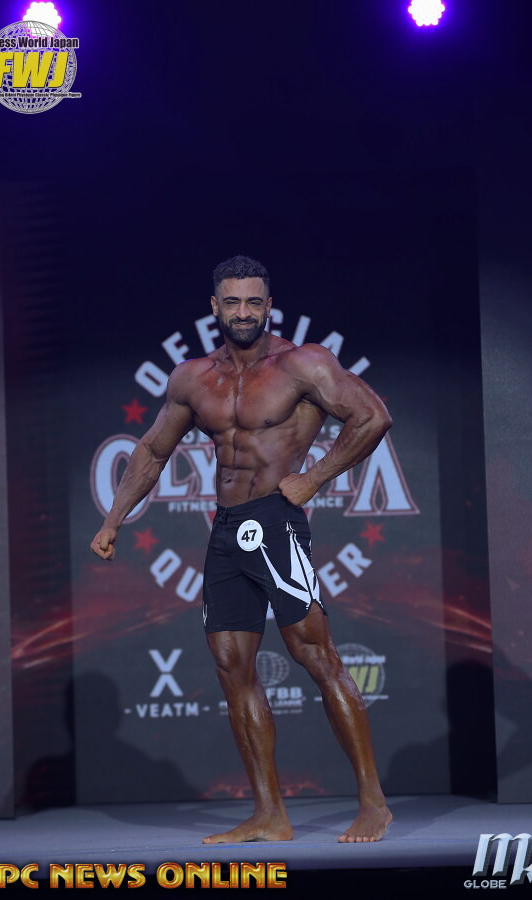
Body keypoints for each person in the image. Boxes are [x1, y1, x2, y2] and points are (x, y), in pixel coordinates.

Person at [91, 255, 393, 844]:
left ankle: (373, 804)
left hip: (277, 520)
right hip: (226, 528)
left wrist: (314, 479)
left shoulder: (302, 364)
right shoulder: (192, 378)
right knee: (232, 666)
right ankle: (270, 814)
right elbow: (152, 450)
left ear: (269, 305)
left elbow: (373, 417)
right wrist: (113, 519)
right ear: (215, 307)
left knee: (315, 655)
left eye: (254, 302)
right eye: (233, 302)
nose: (244, 312)